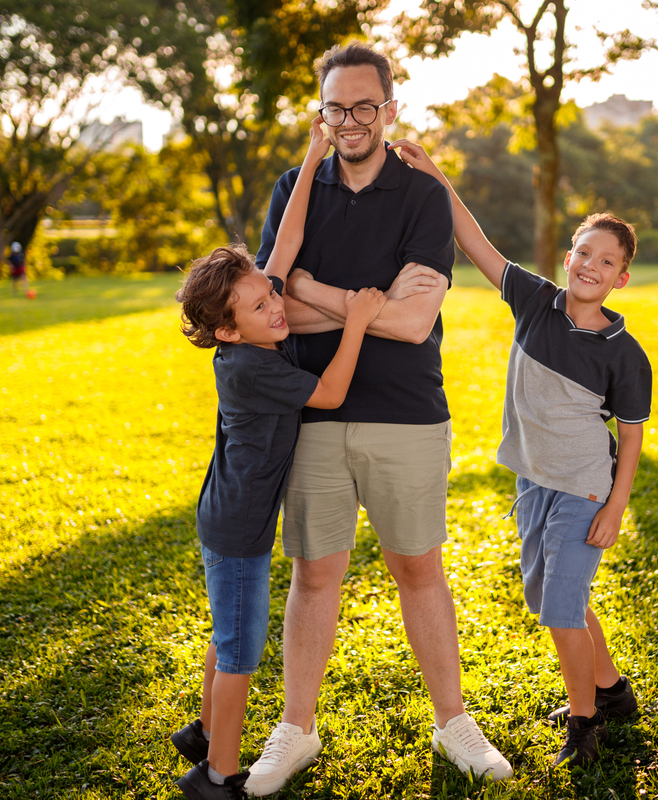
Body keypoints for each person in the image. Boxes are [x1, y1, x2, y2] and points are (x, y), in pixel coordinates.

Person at [247, 42, 512, 792]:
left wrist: (322, 295)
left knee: (418, 570)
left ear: (390, 110)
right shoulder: (293, 189)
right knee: (314, 574)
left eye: (366, 106)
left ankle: (453, 720)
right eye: (338, 107)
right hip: (315, 414)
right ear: (321, 114)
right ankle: (296, 729)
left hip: (408, 414)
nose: (352, 120)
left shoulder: (423, 194)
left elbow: (413, 318)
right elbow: (274, 312)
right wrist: (366, 302)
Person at [392, 139, 652, 767]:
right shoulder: (535, 301)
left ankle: (585, 724)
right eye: (584, 252)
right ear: (569, 258)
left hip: (585, 489)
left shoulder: (625, 353)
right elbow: (475, 242)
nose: (591, 265)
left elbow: (634, 436)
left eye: (606, 260)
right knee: (551, 598)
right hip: (533, 482)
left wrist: (616, 505)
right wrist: (434, 175)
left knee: (561, 611)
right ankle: (613, 688)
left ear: (621, 278)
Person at [169, 120, 388, 800]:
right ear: (228, 330)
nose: (277, 305)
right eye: (261, 305)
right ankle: (218, 775)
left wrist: (314, 150)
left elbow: (284, 243)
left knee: (227, 626)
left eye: (272, 295)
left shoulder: (251, 329)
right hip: (237, 529)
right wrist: (355, 321)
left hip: (229, 517)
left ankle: (203, 733)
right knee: (240, 649)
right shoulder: (249, 366)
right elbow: (328, 392)